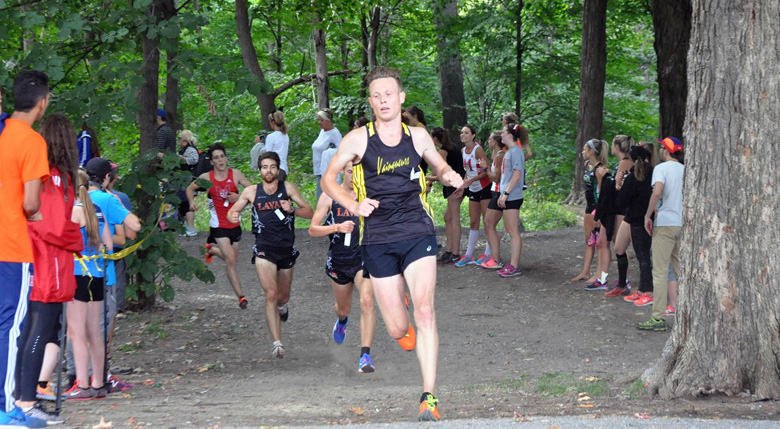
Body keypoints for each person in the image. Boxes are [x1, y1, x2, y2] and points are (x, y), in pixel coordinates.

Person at [322, 67, 464, 422]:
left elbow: (440, 165)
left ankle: (428, 397)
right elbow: (328, 180)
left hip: (417, 229)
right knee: (398, 328)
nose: (384, 100)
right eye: (377, 95)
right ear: (371, 102)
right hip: (379, 238)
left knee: (426, 311)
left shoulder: (416, 137)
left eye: (390, 94)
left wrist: (449, 175)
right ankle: (400, 308)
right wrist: (354, 205)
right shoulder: (357, 139)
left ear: (401, 99)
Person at [14, 113, 83, 424]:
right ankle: (27, 400)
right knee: (38, 333)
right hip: (48, 266)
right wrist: (76, 239)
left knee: (31, 332)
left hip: (42, 263)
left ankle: (21, 397)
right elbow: (51, 226)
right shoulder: (54, 178)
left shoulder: (46, 175)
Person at [0, 70, 51, 429]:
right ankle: (5, 408)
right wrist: (35, 214)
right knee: (10, 327)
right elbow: (31, 204)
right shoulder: (31, 141)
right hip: (12, 246)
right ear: (43, 102)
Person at [228, 151, 313, 358]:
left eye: (272, 167)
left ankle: (283, 307)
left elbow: (310, 213)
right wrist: (234, 215)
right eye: (265, 167)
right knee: (271, 294)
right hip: (264, 248)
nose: (269, 170)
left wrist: (292, 209)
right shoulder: (251, 191)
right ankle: (277, 343)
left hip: (286, 249)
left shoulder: (288, 188)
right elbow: (232, 213)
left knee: (282, 297)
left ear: (278, 169)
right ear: (259, 171)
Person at [308, 164, 377, 372]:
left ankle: (365, 356)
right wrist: (337, 227)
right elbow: (312, 229)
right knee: (344, 308)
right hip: (339, 260)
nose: (354, 176)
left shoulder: (369, 196)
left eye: (358, 172)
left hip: (363, 257)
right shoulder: (329, 197)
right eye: (350, 171)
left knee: (367, 301)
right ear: (342, 173)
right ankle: (342, 320)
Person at [187, 144, 253, 309]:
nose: (220, 160)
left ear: (226, 158)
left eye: (222, 156)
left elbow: (252, 191)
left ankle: (213, 251)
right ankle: (241, 297)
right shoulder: (207, 177)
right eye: (216, 158)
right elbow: (190, 188)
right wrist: (192, 201)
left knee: (233, 259)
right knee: (231, 260)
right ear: (212, 161)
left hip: (235, 223)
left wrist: (239, 197)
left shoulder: (236, 175)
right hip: (218, 225)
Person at [638, 137, 684, 332]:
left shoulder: (661, 169)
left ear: (666, 150)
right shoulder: (685, 169)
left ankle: (657, 318)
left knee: (660, 271)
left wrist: (648, 215)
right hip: (683, 224)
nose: (660, 150)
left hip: (665, 224)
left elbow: (657, 193)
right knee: (682, 270)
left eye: (662, 147)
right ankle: (686, 313)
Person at [619, 142, 658, 305]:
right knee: (644, 254)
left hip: (636, 219)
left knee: (642, 255)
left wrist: (618, 184)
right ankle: (643, 288)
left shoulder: (632, 177)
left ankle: (648, 290)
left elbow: (621, 200)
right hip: (649, 218)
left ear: (633, 159)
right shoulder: (653, 173)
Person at [571, 138, 608, 283]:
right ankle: (585, 272)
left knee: (599, 242)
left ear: (592, 152)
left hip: (596, 209)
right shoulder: (587, 165)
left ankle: (598, 274)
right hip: (588, 207)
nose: (582, 152)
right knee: (589, 241)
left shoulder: (600, 169)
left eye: (585, 149)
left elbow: (601, 192)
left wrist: (599, 214)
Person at [454, 125, 492, 267]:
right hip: (473, 188)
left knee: (487, 222)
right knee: (473, 222)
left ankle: (488, 254)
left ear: (473, 135)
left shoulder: (478, 150)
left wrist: (472, 180)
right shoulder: (463, 151)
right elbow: (468, 172)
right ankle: (469, 255)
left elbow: (486, 170)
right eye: (462, 132)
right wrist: (462, 186)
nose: (463, 135)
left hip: (484, 187)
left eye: (466, 133)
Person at [603, 135, 635, 297]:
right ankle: (623, 280)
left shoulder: (625, 162)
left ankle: (625, 280)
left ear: (617, 146)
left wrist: (609, 179)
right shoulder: (627, 161)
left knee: (619, 242)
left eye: (613, 145)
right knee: (618, 242)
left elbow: (619, 186)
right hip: (622, 206)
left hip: (622, 208)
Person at [428, 127, 465, 265]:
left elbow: (441, 173)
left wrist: (426, 179)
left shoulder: (443, 151)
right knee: (448, 217)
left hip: (454, 186)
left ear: (435, 139)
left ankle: (455, 252)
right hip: (455, 184)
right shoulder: (452, 147)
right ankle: (449, 250)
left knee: (454, 218)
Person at [495, 124, 526, 277]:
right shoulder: (510, 152)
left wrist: (506, 193)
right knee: (510, 230)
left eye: (504, 132)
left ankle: (514, 266)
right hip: (507, 194)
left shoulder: (516, 152)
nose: (501, 135)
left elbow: (517, 175)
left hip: (513, 196)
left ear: (510, 135)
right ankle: (513, 264)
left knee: (513, 231)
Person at [479, 131, 507, 269]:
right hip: (495, 192)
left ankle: (496, 259)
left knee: (489, 223)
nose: (488, 141)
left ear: (495, 142)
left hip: (498, 193)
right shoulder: (497, 155)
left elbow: (496, 178)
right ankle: (494, 257)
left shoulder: (500, 155)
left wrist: (485, 168)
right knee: (488, 223)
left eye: (490, 139)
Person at [311, 108, 342, 199]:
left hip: (328, 171)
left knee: (326, 198)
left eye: (322, 120)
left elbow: (340, 151)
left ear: (328, 121)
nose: (319, 122)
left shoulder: (335, 133)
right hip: (318, 171)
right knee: (320, 198)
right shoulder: (322, 132)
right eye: (318, 120)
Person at [177, 130, 200, 237]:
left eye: (179, 139)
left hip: (189, 181)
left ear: (184, 140)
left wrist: (181, 159)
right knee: (183, 204)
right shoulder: (183, 150)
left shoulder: (191, 149)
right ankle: (188, 227)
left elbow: (194, 160)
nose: (179, 141)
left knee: (187, 203)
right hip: (182, 181)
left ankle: (191, 228)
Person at [265, 111, 290, 181]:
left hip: (275, 169)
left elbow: (268, 155)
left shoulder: (271, 137)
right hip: (284, 168)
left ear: (273, 122)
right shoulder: (285, 136)